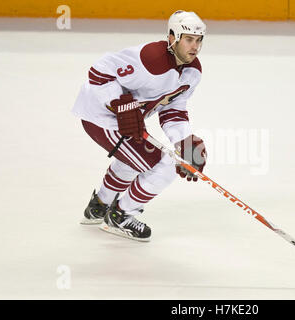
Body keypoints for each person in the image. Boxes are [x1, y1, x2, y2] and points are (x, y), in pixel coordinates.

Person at [72, 10, 207, 242]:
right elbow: (99, 72)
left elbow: (172, 109)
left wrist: (183, 142)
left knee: (134, 161)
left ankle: (100, 206)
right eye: (188, 39)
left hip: (126, 122)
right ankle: (122, 214)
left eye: (198, 40)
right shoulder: (150, 58)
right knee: (164, 166)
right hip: (101, 116)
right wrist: (117, 103)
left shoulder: (192, 72)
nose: (194, 46)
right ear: (172, 37)